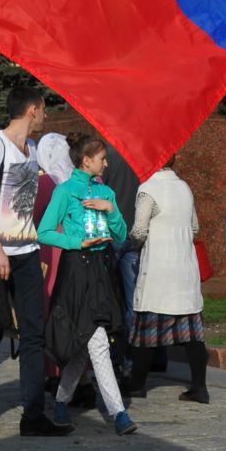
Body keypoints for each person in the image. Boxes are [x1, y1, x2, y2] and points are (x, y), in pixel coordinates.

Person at [0, 86, 69, 436]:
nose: (46, 117)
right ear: (33, 110)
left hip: (26, 252)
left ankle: (33, 415)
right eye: (44, 111)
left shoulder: (34, 149)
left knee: (34, 333)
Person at [39, 136, 135, 435]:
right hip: (76, 271)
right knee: (95, 343)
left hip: (102, 270)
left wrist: (112, 210)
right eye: (102, 158)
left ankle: (61, 402)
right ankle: (118, 413)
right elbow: (43, 232)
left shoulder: (106, 191)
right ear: (86, 160)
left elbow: (120, 235)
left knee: (87, 343)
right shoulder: (65, 191)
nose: (106, 163)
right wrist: (77, 242)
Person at [124, 161, 207, 405]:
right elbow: (194, 227)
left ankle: (137, 384)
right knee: (192, 333)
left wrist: (132, 246)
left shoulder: (148, 189)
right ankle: (200, 387)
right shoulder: (184, 187)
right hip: (185, 266)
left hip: (159, 268)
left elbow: (139, 230)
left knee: (146, 330)